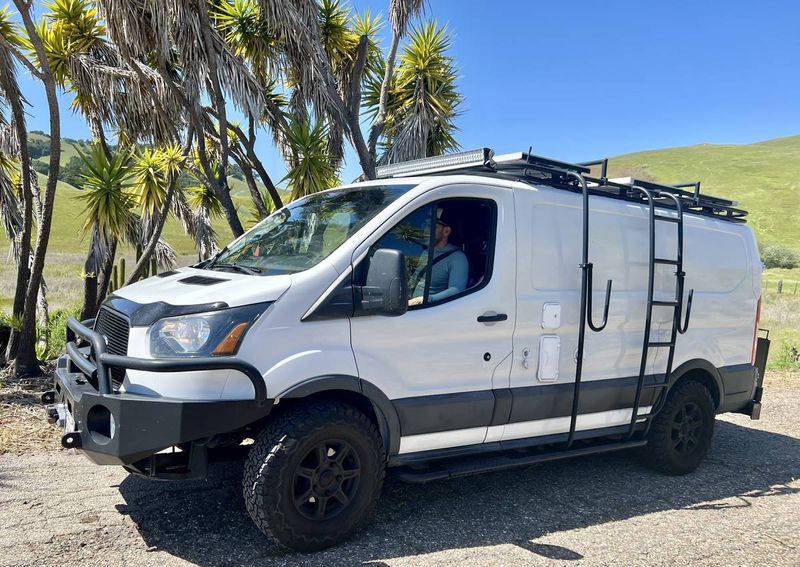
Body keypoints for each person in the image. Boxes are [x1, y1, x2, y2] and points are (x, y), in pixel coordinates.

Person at [408, 206, 469, 306]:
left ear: (446, 231)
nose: (426, 230)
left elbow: (456, 290)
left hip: (429, 310)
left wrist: (425, 300)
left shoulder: (457, 258)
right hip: (410, 307)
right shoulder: (426, 251)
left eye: (431, 226)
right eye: (425, 225)